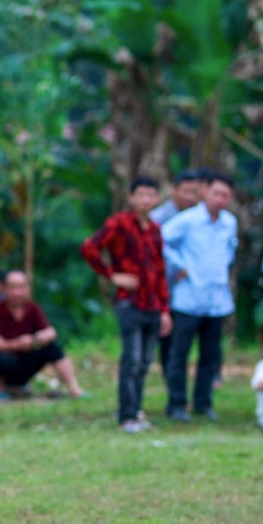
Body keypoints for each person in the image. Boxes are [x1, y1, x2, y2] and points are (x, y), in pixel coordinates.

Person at [81, 176, 173, 432]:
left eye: (151, 195)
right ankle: (126, 417)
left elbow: (160, 271)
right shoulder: (119, 224)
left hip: (153, 303)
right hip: (129, 302)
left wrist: (165, 309)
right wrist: (112, 275)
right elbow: (90, 247)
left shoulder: (154, 229)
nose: (146, 200)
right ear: (131, 197)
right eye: (141, 195)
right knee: (131, 360)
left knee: (144, 362)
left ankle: (137, 411)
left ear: (157, 199)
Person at [161, 173, 238, 422]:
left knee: (210, 356)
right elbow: (160, 238)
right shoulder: (188, 220)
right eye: (216, 193)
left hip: (217, 300)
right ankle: (176, 403)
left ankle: (203, 403)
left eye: (225, 195)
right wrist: (180, 265)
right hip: (188, 298)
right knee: (179, 355)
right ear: (205, 191)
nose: (220, 199)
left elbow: (229, 252)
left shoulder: (229, 222)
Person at [0, 270, 84, 398]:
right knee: (2, 359)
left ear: (27, 288)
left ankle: (74, 388)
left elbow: (51, 332)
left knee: (53, 348)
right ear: (5, 289)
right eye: (13, 287)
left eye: (21, 287)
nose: (17, 292)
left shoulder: (33, 308)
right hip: (6, 361)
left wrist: (34, 340)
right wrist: (18, 344)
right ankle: (0, 388)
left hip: (28, 358)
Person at [150, 169, 203, 376]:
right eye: (186, 191)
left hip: (192, 289)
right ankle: (169, 378)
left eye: (194, 192)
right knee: (167, 338)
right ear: (174, 190)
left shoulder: (200, 217)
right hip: (165, 288)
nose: (190, 197)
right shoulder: (159, 218)